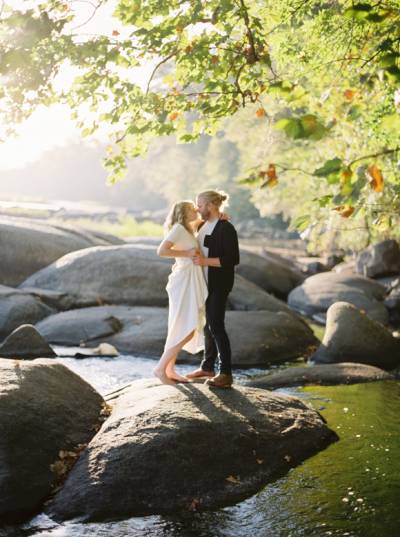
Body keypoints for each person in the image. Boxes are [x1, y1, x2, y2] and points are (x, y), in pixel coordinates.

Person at [186, 190, 240, 389]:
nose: (197, 208)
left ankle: (226, 373)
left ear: (210, 205)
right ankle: (207, 367)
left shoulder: (226, 228)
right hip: (204, 283)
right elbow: (182, 225)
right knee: (208, 325)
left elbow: (233, 259)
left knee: (216, 325)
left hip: (219, 284)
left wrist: (204, 261)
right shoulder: (202, 225)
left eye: (200, 205)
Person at [153, 200, 208, 385]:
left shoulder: (188, 228)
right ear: (184, 213)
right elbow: (162, 251)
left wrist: (221, 216)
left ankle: (170, 369)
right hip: (183, 279)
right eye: (193, 209)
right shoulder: (178, 229)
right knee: (188, 329)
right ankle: (160, 369)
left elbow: (210, 220)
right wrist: (188, 255)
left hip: (189, 277)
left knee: (178, 326)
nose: (196, 210)